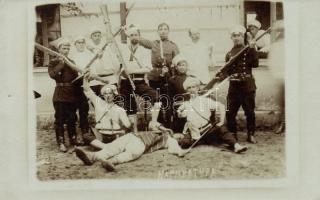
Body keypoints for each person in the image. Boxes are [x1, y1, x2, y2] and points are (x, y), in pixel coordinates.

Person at [75, 121, 186, 172]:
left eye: (180, 139)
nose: (178, 137)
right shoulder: (161, 131)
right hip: (133, 136)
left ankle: (110, 161)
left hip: (142, 143)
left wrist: (181, 152)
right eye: (179, 135)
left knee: (131, 153)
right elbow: (153, 123)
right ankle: (93, 157)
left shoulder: (170, 140)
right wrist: (164, 128)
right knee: (113, 147)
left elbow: (175, 149)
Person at [176, 77, 248, 153]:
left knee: (222, 129)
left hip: (207, 129)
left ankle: (236, 146)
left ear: (197, 88)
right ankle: (200, 140)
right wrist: (180, 113)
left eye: (193, 87)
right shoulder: (186, 104)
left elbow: (221, 106)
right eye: (189, 88)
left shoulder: (205, 100)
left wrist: (221, 121)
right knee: (185, 144)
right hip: (194, 132)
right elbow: (181, 115)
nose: (191, 90)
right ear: (186, 90)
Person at [138, 23, 180, 127]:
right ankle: (159, 123)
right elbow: (140, 40)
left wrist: (173, 76)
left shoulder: (173, 45)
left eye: (165, 29)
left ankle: (169, 124)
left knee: (168, 100)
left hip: (167, 76)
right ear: (157, 31)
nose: (163, 31)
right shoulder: (153, 44)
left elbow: (177, 61)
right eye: (160, 29)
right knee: (157, 100)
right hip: (155, 76)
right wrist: (130, 32)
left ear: (168, 31)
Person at [119, 25, 162, 126]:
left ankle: (154, 123)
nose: (134, 37)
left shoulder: (145, 51)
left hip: (139, 81)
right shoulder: (123, 49)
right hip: (126, 82)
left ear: (139, 36)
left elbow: (148, 68)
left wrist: (132, 70)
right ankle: (133, 130)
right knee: (130, 107)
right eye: (131, 35)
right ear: (128, 37)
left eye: (136, 35)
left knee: (157, 98)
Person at [223, 25, 259, 143]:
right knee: (230, 112)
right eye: (234, 36)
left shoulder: (248, 50)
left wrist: (253, 48)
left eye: (238, 35)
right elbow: (226, 72)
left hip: (247, 86)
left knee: (249, 111)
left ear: (242, 36)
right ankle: (233, 134)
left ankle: (251, 134)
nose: (236, 38)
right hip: (234, 87)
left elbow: (255, 64)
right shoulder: (229, 54)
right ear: (231, 38)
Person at [82, 72, 132, 149]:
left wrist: (129, 122)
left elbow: (127, 125)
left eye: (110, 93)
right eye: (105, 94)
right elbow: (87, 89)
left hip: (115, 135)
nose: (108, 95)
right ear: (103, 95)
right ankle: (107, 147)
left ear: (114, 95)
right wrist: (85, 79)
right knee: (86, 136)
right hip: (101, 136)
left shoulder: (120, 109)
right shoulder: (98, 102)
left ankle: (104, 147)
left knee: (128, 137)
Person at [47, 38, 81, 153]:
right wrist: (61, 63)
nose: (66, 50)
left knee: (72, 118)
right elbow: (52, 75)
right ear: (59, 49)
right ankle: (61, 142)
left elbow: (76, 78)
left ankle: (73, 139)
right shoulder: (53, 62)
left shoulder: (72, 62)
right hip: (60, 93)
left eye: (67, 48)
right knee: (60, 119)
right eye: (64, 48)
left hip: (71, 93)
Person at [69, 36, 93, 141]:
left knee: (84, 109)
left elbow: (92, 70)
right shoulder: (71, 57)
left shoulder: (89, 55)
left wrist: (88, 74)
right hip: (74, 85)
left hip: (85, 83)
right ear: (75, 45)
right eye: (78, 42)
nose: (81, 44)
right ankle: (73, 135)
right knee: (72, 111)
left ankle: (85, 132)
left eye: (82, 42)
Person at [86, 27, 119, 95]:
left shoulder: (108, 48)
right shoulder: (88, 51)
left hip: (110, 78)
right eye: (95, 36)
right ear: (91, 37)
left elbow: (115, 63)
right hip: (96, 80)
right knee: (98, 102)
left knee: (112, 100)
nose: (97, 37)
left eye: (98, 35)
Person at [168, 54, 193, 133]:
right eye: (179, 65)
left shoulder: (191, 78)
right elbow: (170, 96)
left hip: (190, 104)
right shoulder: (172, 80)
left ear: (187, 67)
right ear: (176, 67)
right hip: (178, 105)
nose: (182, 67)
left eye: (183, 65)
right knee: (179, 128)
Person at [268, 20, 285, 134]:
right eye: (279, 31)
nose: (280, 33)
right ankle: (282, 123)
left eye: (282, 30)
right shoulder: (275, 45)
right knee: (282, 102)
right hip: (280, 76)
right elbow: (272, 61)